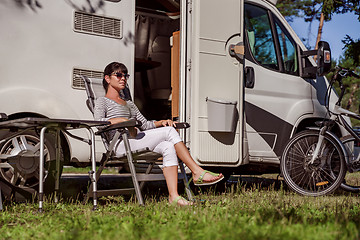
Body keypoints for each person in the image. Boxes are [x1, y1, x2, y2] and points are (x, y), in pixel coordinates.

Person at [94, 62, 224, 206]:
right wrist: (121, 120)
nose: (123, 78)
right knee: (169, 132)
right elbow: (98, 122)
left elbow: (145, 125)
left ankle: (173, 197)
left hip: (134, 139)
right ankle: (196, 171)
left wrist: (161, 122)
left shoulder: (129, 103)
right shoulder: (102, 101)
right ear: (107, 78)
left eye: (125, 75)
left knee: (167, 146)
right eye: (118, 75)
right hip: (119, 144)